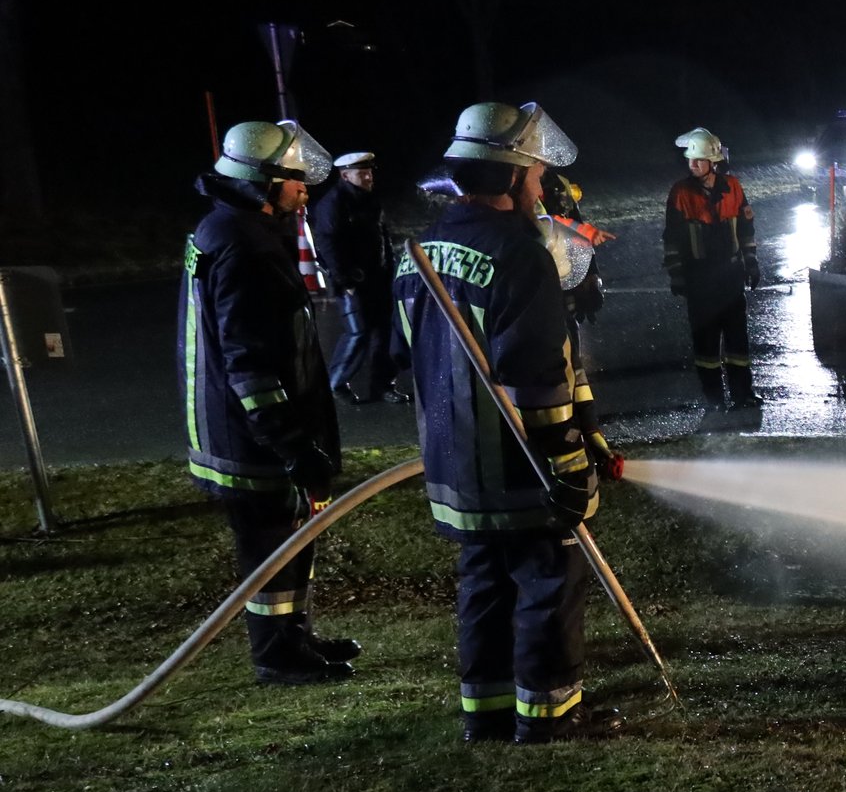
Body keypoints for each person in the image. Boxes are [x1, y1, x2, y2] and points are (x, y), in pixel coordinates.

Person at [391, 101, 619, 745]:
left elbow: (403, 355)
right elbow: (536, 378)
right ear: (513, 176)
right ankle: (550, 716)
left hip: (454, 461)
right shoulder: (520, 253)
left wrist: (591, 423)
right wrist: (569, 464)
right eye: (538, 175)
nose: (543, 187)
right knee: (550, 577)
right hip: (519, 462)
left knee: (485, 582)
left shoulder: (423, 251)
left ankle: (485, 715)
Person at [178, 119, 359, 685]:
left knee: (286, 538)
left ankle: (291, 636)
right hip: (249, 435)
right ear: (262, 183)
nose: (306, 188)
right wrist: (290, 443)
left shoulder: (226, 229)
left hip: (237, 429)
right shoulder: (245, 247)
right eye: (294, 178)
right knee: (271, 544)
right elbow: (249, 361)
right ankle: (277, 654)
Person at [663, 127, 763, 409]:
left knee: (737, 341)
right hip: (699, 278)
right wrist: (677, 273)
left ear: (713, 162)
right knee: (705, 344)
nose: (692, 164)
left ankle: (743, 394)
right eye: (690, 160)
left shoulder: (733, 187)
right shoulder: (680, 192)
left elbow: (745, 229)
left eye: (698, 160)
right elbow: (672, 238)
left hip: (730, 276)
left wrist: (751, 262)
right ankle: (714, 400)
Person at [538, 171, 625, 483]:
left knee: (575, 372)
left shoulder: (556, 199)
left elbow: (569, 230)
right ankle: (572, 450)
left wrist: (590, 282)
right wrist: (585, 230)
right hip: (540, 310)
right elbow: (548, 224)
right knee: (558, 381)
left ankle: (589, 439)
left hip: (560, 306)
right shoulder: (530, 211)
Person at [309, 150, 406, 404]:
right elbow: (327, 243)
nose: (368, 177)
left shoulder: (368, 199)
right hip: (353, 282)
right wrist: (345, 281)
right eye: (362, 173)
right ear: (345, 175)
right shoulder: (333, 204)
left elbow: (381, 234)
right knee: (358, 332)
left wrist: (390, 266)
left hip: (379, 277)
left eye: (369, 172)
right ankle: (336, 383)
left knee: (384, 333)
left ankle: (383, 386)